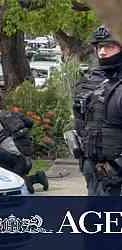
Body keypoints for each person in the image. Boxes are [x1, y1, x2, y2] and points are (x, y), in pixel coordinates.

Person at [72, 26, 122, 196]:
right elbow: (81, 122)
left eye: (109, 46)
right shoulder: (91, 81)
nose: (102, 52)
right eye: (100, 47)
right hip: (92, 167)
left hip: (116, 170)